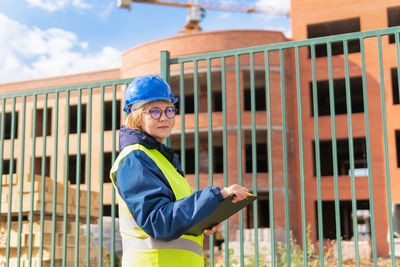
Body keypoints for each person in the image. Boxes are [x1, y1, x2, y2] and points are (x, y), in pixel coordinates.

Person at [110, 75, 249, 267]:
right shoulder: (135, 158)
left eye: (169, 110)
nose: (165, 117)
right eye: (155, 112)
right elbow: (159, 222)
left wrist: (202, 220)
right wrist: (216, 195)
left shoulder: (161, 160)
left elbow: (175, 216)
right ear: (136, 116)